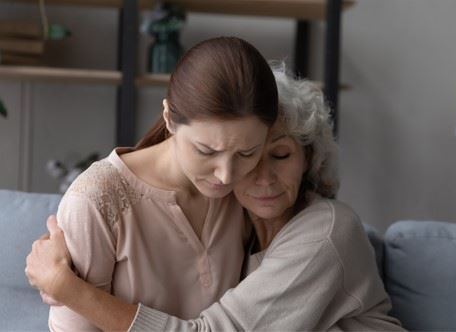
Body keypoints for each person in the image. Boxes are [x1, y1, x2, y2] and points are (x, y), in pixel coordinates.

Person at [27, 64, 405, 331]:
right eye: (249, 156)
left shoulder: (326, 232)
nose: (263, 177)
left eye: (282, 155)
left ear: (309, 157)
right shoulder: (232, 218)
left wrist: (68, 289)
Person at [24, 36, 278, 331]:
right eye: (206, 151)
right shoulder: (96, 200)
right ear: (169, 117)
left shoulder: (249, 190)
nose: (225, 175)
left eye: (246, 153)